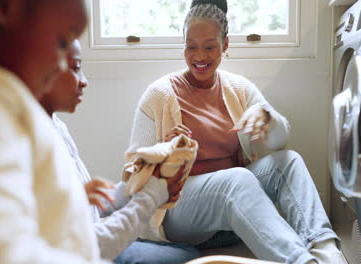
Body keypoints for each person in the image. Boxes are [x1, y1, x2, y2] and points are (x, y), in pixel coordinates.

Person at [126, 0, 348, 263]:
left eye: (209, 47)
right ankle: (302, 261)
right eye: (191, 47)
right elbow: (132, 177)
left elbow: (280, 140)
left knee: (289, 162)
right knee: (237, 179)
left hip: (231, 212)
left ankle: (326, 251)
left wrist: (267, 118)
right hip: (179, 211)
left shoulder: (239, 89)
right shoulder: (159, 95)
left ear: (225, 45)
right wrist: (162, 154)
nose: (199, 56)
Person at [39, 39, 201, 263]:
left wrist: (146, 178)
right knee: (189, 257)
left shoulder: (55, 125)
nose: (84, 81)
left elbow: (94, 209)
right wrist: (154, 193)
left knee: (188, 250)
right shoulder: (32, 148)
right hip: (89, 251)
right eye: (76, 68)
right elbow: (94, 245)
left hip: (92, 237)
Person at [0, 0, 110, 263]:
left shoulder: (17, 103)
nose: (60, 66)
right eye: (62, 43)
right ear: (1, 7)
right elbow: (4, 251)